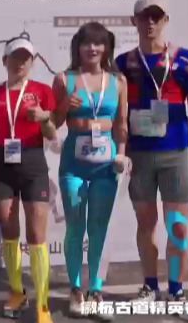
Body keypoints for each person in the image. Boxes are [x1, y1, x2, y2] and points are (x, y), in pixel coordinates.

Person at [115, 0, 188, 322]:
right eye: (144, 17)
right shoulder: (123, 62)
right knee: (146, 224)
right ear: (134, 21)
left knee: (178, 226)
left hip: (174, 152)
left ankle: (177, 291)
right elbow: (116, 110)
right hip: (139, 155)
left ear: (166, 20)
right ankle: (150, 286)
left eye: (157, 17)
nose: (150, 22)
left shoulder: (183, 58)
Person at [52, 22, 130, 321]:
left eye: (98, 43)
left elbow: (121, 123)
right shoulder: (64, 79)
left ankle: (96, 290)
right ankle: (76, 289)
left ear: (106, 48)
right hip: (73, 166)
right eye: (87, 43)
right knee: (75, 227)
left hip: (106, 167)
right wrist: (64, 105)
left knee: (99, 228)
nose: (93, 48)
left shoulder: (118, 81)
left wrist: (121, 153)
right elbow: (53, 123)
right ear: (78, 47)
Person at [0, 38, 57, 323]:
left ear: (32, 62)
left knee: (37, 235)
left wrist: (44, 119)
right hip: (2, 163)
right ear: (5, 61)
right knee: (9, 231)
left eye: (25, 58)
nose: (20, 63)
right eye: (15, 58)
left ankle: (42, 303)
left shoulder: (42, 91)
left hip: (32, 162)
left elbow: (52, 134)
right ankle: (17, 292)